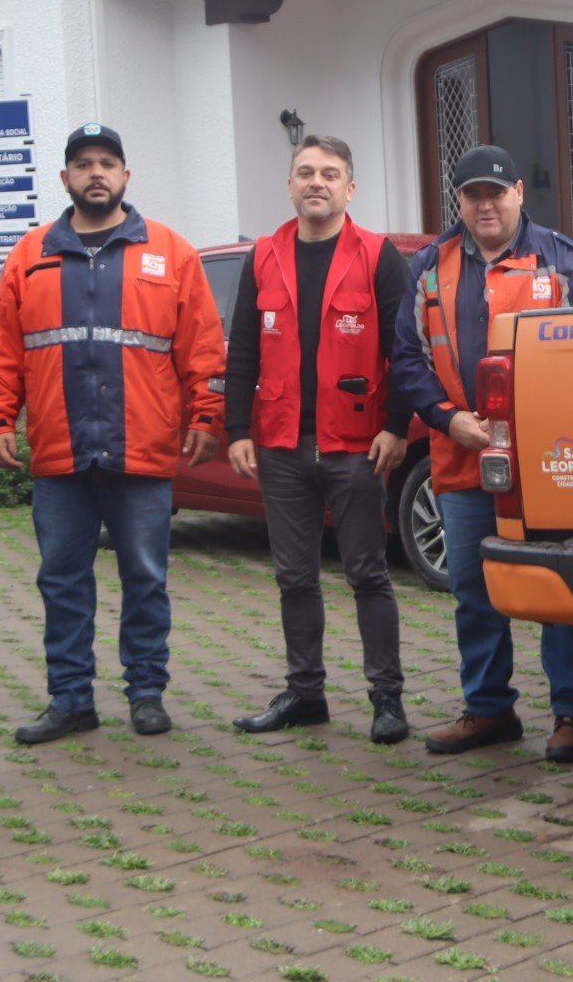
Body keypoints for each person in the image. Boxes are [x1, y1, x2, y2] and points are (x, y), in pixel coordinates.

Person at [0, 123, 225, 744]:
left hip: (141, 449)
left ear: (125, 175)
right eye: (84, 164)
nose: (96, 173)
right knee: (62, 580)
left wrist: (206, 416)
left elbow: (203, 348)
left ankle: (146, 693)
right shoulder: (29, 255)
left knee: (145, 577)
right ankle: (70, 699)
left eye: (108, 163)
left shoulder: (171, 252)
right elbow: (3, 349)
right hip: (61, 454)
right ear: (64, 178)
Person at [391, 146, 573, 762]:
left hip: (546, 459)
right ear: (457, 202)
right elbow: (407, 357)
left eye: (495, 193)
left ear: (518, 192)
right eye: (472, 196)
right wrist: (446, 417)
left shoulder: (563, 260)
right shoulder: (429, 266)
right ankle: (488, 710)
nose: (485, 205)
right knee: (472, 588)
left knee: (557, 587)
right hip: (459, 454)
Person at [224, 136, 414, 744]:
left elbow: (406, 350)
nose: (316, 182)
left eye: (330, 174)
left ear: (349, 188)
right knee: (294, 578)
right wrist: (235, 429)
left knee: (368, 574)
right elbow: (244, 352)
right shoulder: (264, 256)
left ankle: (387, 698)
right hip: (281, 444)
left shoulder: (380, 256)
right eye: (305, 172)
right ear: (289, 185)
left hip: (355, 444)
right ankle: (306, 694)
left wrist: (396, 426)